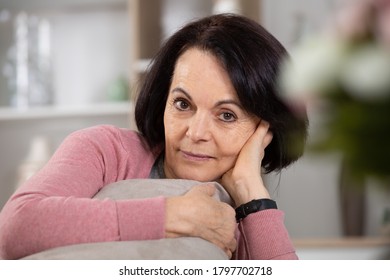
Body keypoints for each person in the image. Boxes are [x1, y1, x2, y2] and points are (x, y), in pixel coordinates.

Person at [0, 13, 308, 260]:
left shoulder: (248, 214)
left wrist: (251, 194)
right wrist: (171, 216)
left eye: (226, 115)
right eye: (182, 104)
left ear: (263, 131)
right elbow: (15, 227)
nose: (196, 133)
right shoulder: (106, 151)